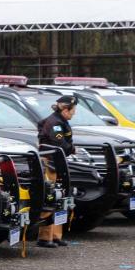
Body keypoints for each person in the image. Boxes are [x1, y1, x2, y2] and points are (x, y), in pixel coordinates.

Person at [35, 95, 78, 248]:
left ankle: (56, 235)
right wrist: (72, 149)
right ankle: (45, 237)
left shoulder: (61, 121)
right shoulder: (55, 123)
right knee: (51, 197)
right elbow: (60, 144)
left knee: (60, 198)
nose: (74, 113)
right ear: (65, 109)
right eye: (73, 110)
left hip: (58, 163)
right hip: (51, 163)